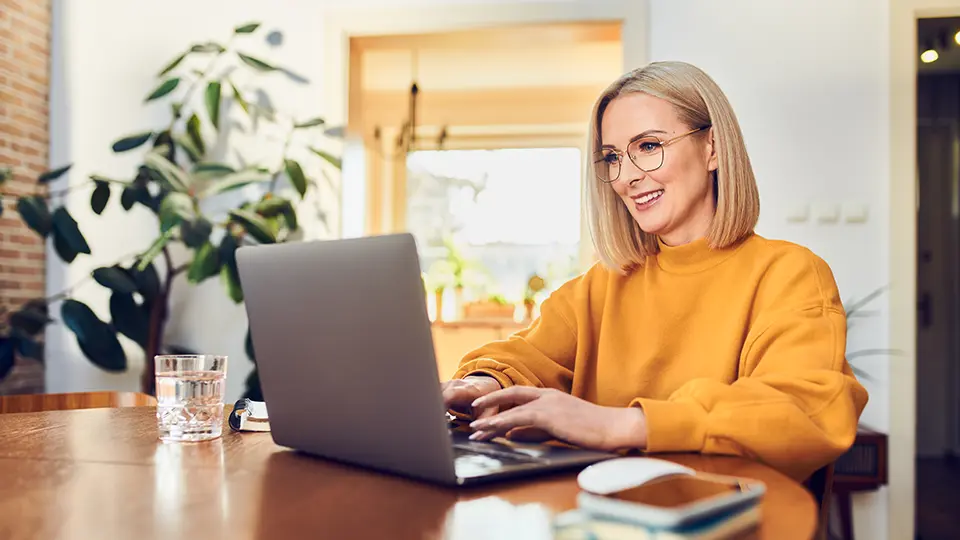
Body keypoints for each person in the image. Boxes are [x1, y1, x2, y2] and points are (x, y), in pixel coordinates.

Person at [440, 61, 868, 482]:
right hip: (601, 519)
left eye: (648, 146)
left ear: (713, 148)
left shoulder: (789, 274)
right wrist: (483, 383)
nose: (626, 177)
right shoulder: (603, 284)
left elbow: (803, 410)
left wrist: (620, 426)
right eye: (612, 157)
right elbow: (523, 356)